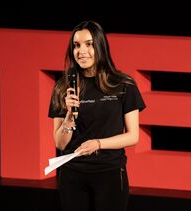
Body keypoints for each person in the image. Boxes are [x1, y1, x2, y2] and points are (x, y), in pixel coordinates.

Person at [48, 20, 146, 211]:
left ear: (100, 46)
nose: (81, 51)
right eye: (76, 45)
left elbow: (133, 136)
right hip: (73, 175)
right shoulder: (63, 87)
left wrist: (99, 143)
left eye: (89, 44)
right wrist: (69, 117)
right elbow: (60, 143)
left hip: (109, 173)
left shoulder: (123, 84)